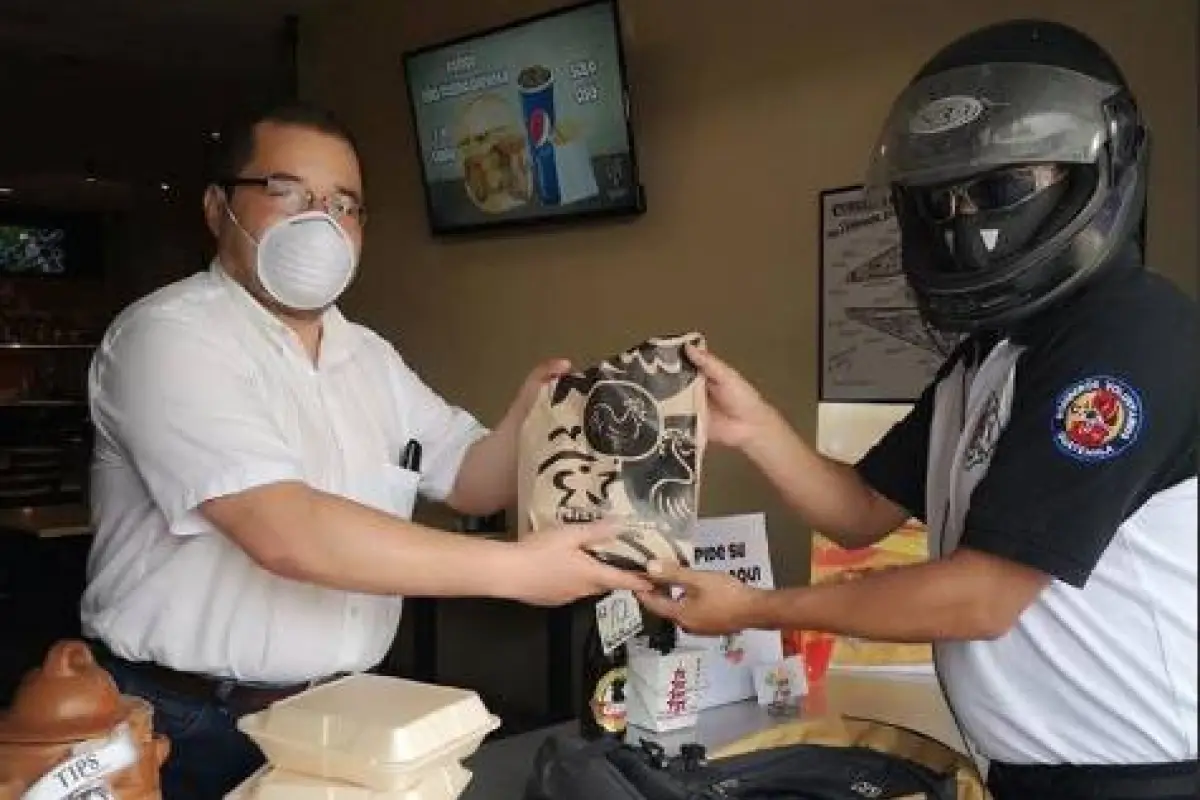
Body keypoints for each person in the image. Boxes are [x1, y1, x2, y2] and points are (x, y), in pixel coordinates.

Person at [639, 20, 1198, 800]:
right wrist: (754, 426)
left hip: (1138, 780)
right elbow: (861, 511)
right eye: (940, 200)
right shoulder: (989, 355)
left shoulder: (1130, 335)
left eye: (1002, 190)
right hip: (1027, 772)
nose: (968, 224)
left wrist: (757, 607)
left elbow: (981, 596)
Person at [79, 102, 649, 799]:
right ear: (216, 206)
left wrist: (531, 419)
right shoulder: (166, 338)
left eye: (343, 204)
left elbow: (470, 480)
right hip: (190, 722)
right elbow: (285, 531)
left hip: (342, 714)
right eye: (288, 192)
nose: (319, 222)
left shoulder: (368, 357)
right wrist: (517, 571)